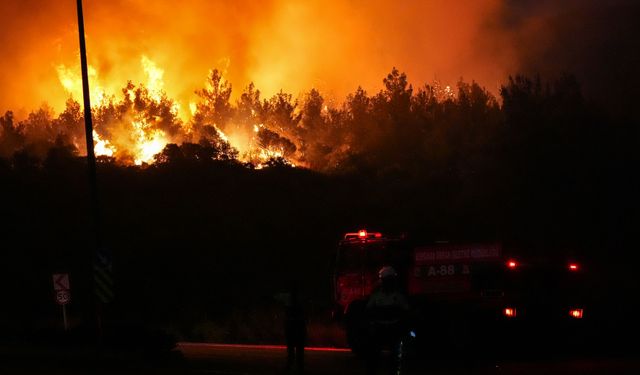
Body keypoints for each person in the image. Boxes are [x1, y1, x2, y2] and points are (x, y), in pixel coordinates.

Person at [365, 266, 410, 375]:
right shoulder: (377, 296)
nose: (388, 283)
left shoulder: (397, 296)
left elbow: (406, 312)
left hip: (392, 328)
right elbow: (368, 312)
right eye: (387, 280)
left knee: (394, 357)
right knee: (375, 356)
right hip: (380, 328)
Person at [282, 281, 307, 374]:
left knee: (292, 349)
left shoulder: (289, 303)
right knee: (298, 349)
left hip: (292, 328)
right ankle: (298, 367)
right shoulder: (300, 302)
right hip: (297, 327)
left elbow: (287, 316)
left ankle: (291, 366)